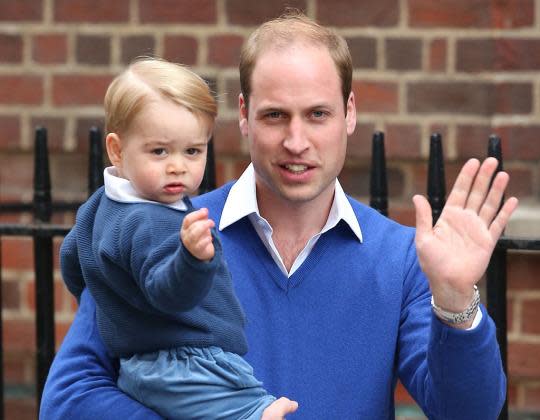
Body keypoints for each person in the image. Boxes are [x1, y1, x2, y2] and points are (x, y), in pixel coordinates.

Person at [41, 11, 518, 419]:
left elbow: (468, 411)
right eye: (275, 116)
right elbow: (67, 399)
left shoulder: (399, 259)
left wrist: (456, 300)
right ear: (244, 115)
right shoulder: (165, 229)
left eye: (317, 114)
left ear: (349, 113)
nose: (296, 141)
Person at [57, 57, 297, 420]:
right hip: (187, 362)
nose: (177, 166)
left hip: (141, 365)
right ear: (117, 150)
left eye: (192, 151)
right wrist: (191, 258)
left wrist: (113, 302)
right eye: (159, 151)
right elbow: (168, 294)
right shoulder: (151, 220)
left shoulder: (99, 205)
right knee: (249, 406)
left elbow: (73, 258)